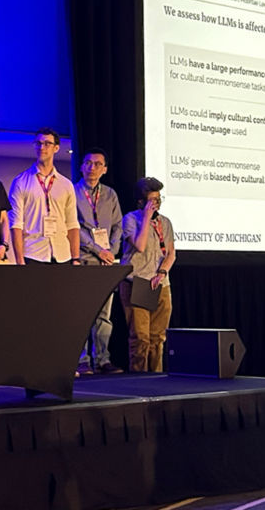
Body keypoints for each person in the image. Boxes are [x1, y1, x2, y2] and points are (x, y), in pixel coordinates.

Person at [74, 148, 124, 375]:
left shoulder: (110, 195)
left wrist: (110, 252)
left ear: (104, 170)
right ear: (82, 166)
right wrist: (97, 250)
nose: (92, 168)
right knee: (83, 311)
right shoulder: (72, 192)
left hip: (107, 262)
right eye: (88, 163)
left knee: (104, 314)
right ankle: (82, 360)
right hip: (85, 259)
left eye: (97, 164)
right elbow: (74, 227)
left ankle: (103, 359)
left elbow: (117, 227)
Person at [119, 177, 176, 373]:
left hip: (160, 283)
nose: (157, 204)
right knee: (141, 338)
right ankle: (139, 380)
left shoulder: (165, 223)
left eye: (159, 200)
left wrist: (162, 273)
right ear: (142, 202)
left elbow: (171, 254)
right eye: (153, 200)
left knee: (158, 338)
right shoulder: (130, 219)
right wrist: (146, 218)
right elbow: (140, 246)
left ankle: (157, 379)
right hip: (138, 282)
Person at [8, 128, 80, 265]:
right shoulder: (21, 182)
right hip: (33, 254)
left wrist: (75, 258)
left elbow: (72, 223)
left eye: (47, 143)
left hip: (63, 255)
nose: (42, 147)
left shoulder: (66, 184)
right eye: (38, 143)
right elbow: (16, 224)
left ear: (56, 148)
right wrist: (19, 260)